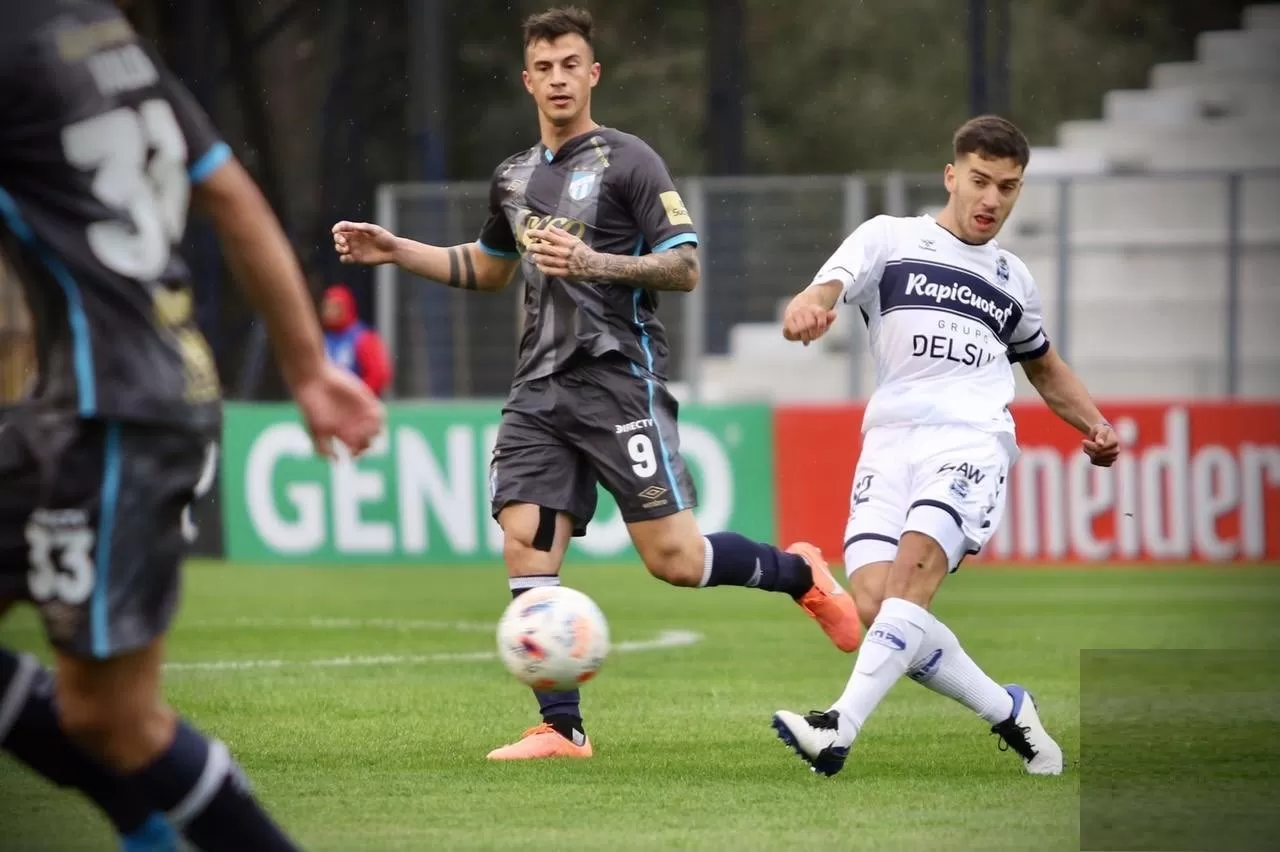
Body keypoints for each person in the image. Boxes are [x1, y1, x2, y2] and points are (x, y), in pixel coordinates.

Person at [332, 5, 861, 762]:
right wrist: (396, 250)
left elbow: (684, 265)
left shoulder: (631, 162)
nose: (557, 79)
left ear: (592, 74)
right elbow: (488, 267)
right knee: (525, 542)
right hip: (538, 390)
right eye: (543, 67)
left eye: (569, 64)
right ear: (527, 79)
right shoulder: (513, 176)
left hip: (619, 381)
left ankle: (798, 573)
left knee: (674, 561)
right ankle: (562, 727)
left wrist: (597, 263)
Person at [0, 2, 384, 850]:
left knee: (113, 718)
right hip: (118, 399)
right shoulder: (103, 36)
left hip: (114, 411)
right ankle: (147, 830)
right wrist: (308, 369)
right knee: (106, 715)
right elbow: (230, 193)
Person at [770, 115, 1120, 778]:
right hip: (890, 441)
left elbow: (1043, 367)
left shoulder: (1014, 279)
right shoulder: (891, 238)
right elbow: (828, 287)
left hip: (972, 440)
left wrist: (1095, 426)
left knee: (912, 580)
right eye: (981, 181)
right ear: (951, 176)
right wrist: (807, 308)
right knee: (877, 607)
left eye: (1008, 187)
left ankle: (837, 727)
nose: (992, 200)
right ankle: (1009, 710)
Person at [321, 283, 393, 396]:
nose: (329, 312)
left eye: (335, 307)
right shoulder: (321, 339)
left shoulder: (363, 338)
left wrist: (356, 396)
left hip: (357, 404)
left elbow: (379, 375)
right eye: (326, 307)